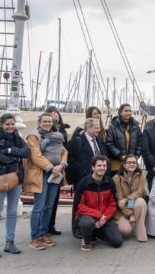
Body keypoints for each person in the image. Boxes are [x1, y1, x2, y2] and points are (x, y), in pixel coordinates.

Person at [0, 114, 30, 258]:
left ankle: (10, 242)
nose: (11, 127)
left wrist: (10, 151)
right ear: (1, 124)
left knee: (12, 212)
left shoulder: (18, 138)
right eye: (7, 124)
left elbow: (27, 152)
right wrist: (15, 157)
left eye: (13, 124)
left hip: (16, 178)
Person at [24, 113, 68, 250]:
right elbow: (35, 156)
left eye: (49, 122)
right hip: (41, 174)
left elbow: (64, 151)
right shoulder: (33, 137)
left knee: (49, 206)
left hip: (55, 172)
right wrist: (51, 168)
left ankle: (43, 233)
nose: (47, 124)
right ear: (40, 122)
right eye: (45, 121)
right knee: (39, 206)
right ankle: (34, 237)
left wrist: (61, 165)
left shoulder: (55, 136)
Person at [73, 155, 123, 251]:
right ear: (93, 167)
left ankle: (95, 232)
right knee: (87, 223)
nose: (102, 168)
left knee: (117, 242)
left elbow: (112, 204)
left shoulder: (110, 182)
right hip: (88, 216)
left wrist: (105, 217)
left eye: (104, 166)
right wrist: (99, 215)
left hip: (104, 217)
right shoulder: (83, 183)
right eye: (99, 165)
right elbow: (78, 206)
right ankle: (87, 237)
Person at [45, 106, 69, 236]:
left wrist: (62, 164)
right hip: (47, 167)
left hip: (59, 167)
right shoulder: (45, 130)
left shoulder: (63, 130)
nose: (55, 115)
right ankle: (43, 227)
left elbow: (64, 149)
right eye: (52, 113)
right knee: (45, 201)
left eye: (56, 113)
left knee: (54, 199)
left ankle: (51, 225)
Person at [113, 155, 148, 242]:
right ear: (124, 165)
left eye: (134, 162)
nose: (132, 164)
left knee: (141, 201)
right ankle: (116, 223)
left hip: (133, 203)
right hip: (120, 210)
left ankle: (140, 232)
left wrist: (127, 199)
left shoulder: (141, 175)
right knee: (125, 231)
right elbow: (119, 201)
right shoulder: (116, 178)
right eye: (129, 162)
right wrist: (130, 214)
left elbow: (140, 192)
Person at [66, 118, 108, 189]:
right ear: (88, 128)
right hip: (82, 181)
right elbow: (69, 162)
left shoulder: (100, 141)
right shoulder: (76, 142)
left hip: (99, 180)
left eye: (99, 127)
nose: (99, 130)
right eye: (96, 128)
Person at [105, 103, 142, 175]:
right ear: (120, 112)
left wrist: (137, 155)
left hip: (132, 163)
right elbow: (109, 143)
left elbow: (140, 142)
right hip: (117, 163)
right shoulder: (113, 127)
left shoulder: (136, 127)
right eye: (126, 111)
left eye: (130, 111)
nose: (128, 112)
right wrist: (120, 155)